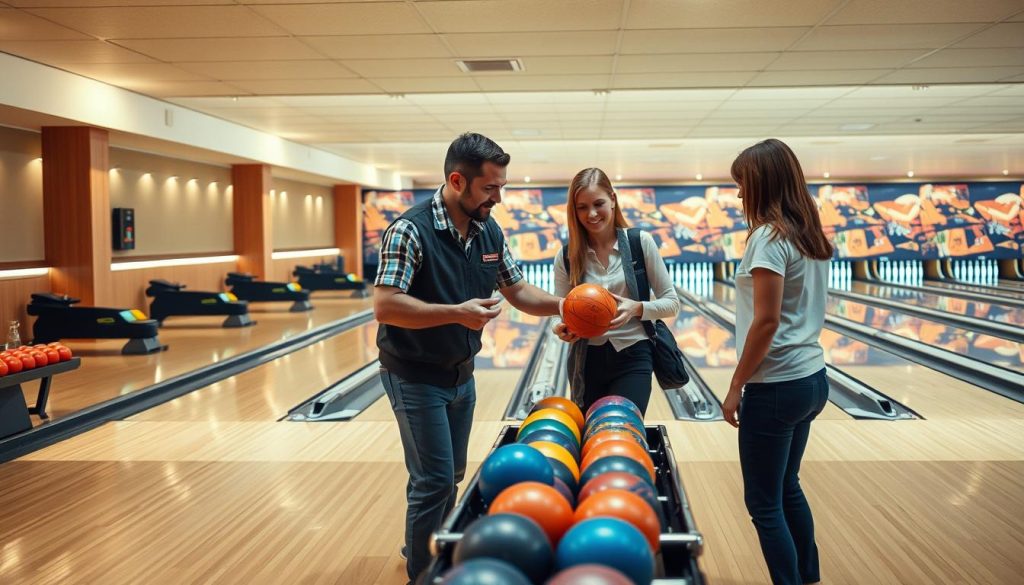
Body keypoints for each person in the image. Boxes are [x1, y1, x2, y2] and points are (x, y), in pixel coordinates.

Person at [373, 133, 563, 584]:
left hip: (462, 372)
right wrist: (455, 314)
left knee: (450, 474)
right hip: (414, 373)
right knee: (435, 479)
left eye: (501, 187)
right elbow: (386, 305)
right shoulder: (409, 230)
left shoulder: (487, 230)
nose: (498, 198)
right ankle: (423, 572)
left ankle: (420, 541)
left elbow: (517, 290)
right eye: (490, 189)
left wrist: (568, 304)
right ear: (458, 181)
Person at [722, 138, 833, 585]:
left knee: (764, 503)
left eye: (742, 184)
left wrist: (735, 387)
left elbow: (765, 322)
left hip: (775, 387)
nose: (739, 194)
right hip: (812, 378)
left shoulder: (768, 238)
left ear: (762, 184)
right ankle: (809, 578)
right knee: (788, 487)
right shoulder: (807, 232)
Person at [552, 168, 679, 416]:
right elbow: (558, 311)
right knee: (591, 436)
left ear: (612, 199)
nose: (591, 214)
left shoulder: (639, 242)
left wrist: (638, 308)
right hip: (586, 360)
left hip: (634, 354)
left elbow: (672, 303)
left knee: (621, 426)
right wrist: (560, 327)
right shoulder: (567, 256)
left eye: (598, 203)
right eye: (582, 207)